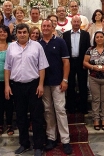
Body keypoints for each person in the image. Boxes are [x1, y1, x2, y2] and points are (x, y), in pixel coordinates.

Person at [4, 23, 49, 156]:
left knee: (36, 116)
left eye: (24, 32)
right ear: (16, 33)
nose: (22, 34)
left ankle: (38, 145)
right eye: (20, 32)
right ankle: (24, 143)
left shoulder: (37, 46)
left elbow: (42, 67)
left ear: (28, 33)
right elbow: (7, 67)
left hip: (33, 85)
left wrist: (41, 84)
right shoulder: (11, 47)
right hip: (16, 86)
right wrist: (7, 85)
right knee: (21, 116)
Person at [39, 19, 72, 155]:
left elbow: (66, 62)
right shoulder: (37, 44)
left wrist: (65, 79)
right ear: (41, 28)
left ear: (53, 27)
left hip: (58, 82)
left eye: (48, 26)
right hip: (44, 83)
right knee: (47, 110)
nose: (46, 28)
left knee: (60, 110)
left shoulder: (60, 41)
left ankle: (65, 140)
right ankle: (51, 138)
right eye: (44, 26)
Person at [83, 31, 104, 130]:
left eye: (101, 37)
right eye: (97, 37)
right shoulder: (90, 50)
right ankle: (96, 119)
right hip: (94, 78)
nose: (99, 38)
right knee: (96, 100)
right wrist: (92, 67)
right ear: (95, 39)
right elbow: (85, 62)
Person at [63, 15, 90, 114]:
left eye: (78, 22)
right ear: (71, 23)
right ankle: (71, 107)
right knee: (70, 85)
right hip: (69, 62)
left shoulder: (85, 34)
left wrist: (85, 62)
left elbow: (88, 49)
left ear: (80, 23)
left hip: (81, 62)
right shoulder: (65, 35)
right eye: (74, 22)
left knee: (82, 85)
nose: (76, 23)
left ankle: (83, 107)